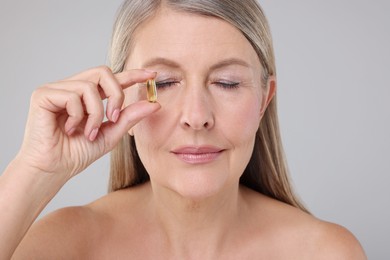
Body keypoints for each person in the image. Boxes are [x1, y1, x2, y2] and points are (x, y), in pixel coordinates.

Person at [0, 0, 366, 259]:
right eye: (166, 82)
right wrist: (34, 171)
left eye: (226, 83)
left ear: (264, 101)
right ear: (123, 97)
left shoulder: (326, 252)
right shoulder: (66, 245)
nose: (196, 116)